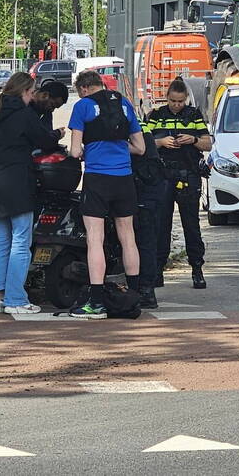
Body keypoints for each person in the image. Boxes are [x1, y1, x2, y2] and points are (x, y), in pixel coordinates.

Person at [0, 72, 60, 315]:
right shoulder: (25, 115)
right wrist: (58, 135)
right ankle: (15, 297)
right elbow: (45, 141)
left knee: (1, 241)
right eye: (32, 92)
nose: (33, 96)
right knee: (21, 242)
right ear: (24, 92)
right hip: (19, 183)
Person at [67, 69, 145, 319]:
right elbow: (140, 148)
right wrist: (122, 149)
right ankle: (134, 297)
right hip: (124, 178)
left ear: (84, 89)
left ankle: (97, 302)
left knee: (95, 239)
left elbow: (74, 151)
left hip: (97, 179)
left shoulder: (83, 106)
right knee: (128, 237)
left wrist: (87, 150)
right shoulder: (124, 104)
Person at [146, 77, 212, 289]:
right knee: (160, 224)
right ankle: (157, 270)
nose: (177, 105)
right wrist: (160, 142)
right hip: (162, 176)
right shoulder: (156, 116)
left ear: (186, 99)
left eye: (181, 101)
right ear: (167, 98)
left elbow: (208, 143)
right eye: (173, 101)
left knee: (191, 225)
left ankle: (197, 269)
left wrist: (192, 140)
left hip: (188, 175)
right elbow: (142, 143)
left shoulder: (193, 115)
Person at [131, 121, 166, 308]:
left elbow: (138, 150)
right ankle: (144, 289)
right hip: (148, 185)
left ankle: (145, 290)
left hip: (145, 186)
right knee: (144, 241)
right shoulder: (139, 123)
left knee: (143, 240)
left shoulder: (121, 124)